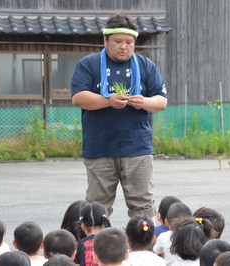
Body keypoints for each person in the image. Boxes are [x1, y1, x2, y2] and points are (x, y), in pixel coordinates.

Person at [70, 12, 168, 220]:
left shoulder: (145, 65)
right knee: (97, 208)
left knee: (142, 207)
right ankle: (96, 250)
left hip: (137, 148)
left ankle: (143, 250)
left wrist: (145, 102)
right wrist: (108, 101)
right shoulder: (89, 64)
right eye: (117, 41)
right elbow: (78, 98)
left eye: (129, 42)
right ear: (105, 40)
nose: (124, 46)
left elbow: (161, 100)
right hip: (99, 148)